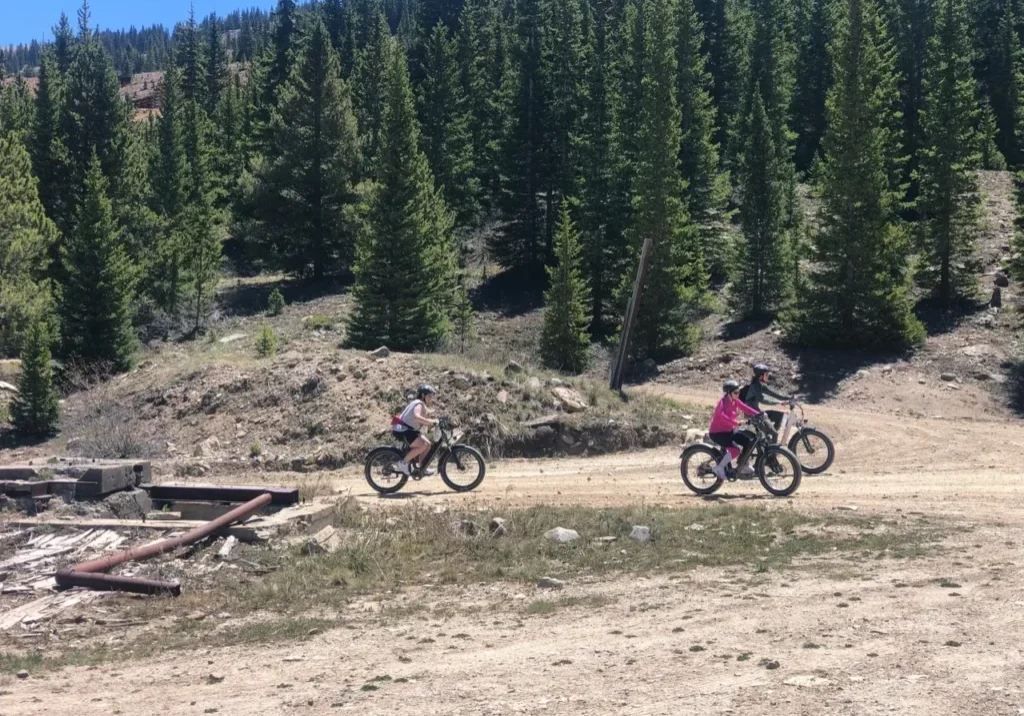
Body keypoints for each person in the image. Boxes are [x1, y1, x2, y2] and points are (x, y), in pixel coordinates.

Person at [709, 379, 761, 480]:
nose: (738, 394)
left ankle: (742, 465)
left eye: (739, 392)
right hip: (718, 433)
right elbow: (722, 417)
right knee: (735, 450)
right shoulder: (722, 403)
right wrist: (736, 423)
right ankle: (719, 468)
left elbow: (745, 408)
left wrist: (759, 414)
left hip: (729, 431)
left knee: (748, 441)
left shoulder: (735, 401)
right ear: (728, 393)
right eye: (736, 392)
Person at [392, 385, 440, 476]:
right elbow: (417, 416)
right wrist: (430, 422)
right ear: (422, 395)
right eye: (429, 396)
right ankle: (402, 463)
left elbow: (427, 413)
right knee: (423, 445)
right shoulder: (419, 403)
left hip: (408, 429)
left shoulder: (419, 404)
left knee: (428, 444)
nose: (431, 398)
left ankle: (422, 467)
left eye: (431, 396)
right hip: (403, 430)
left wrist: (437, 420)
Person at [741, 363, 793, 432]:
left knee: (779, 416)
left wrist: (789, 398)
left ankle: (770, 439)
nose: (768, 376)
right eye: (766, 374)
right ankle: (770, 438)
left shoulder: (760, 385)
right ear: (760, 376)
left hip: (758, 413)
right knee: (773, 432)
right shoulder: (755, 386)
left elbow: (774, 394)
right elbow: (763, 400)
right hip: (753, 415)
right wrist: (779, 402)